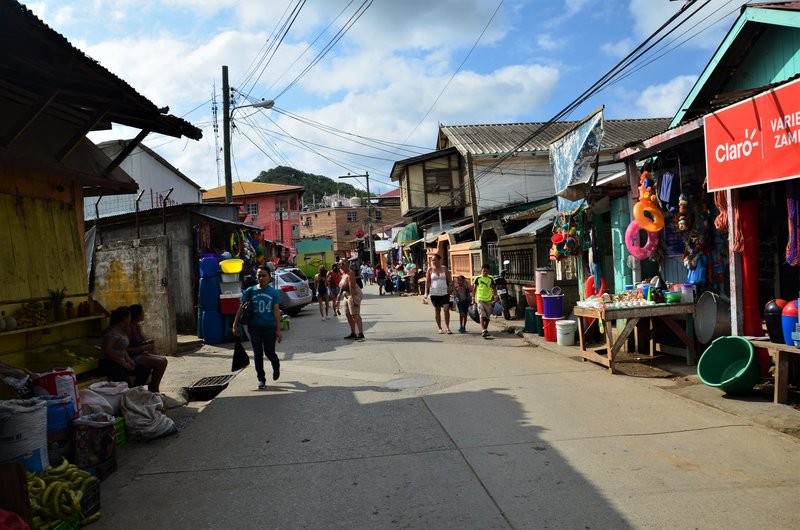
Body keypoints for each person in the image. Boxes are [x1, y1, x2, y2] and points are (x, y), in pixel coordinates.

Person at [233, 264, 283, 389]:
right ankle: (261, 379)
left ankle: (276, 365)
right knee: (257, 354)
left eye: (264, 275)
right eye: (259, 275)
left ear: (269, 277)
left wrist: (278, 330)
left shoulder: (274, 293)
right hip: (254, 327)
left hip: (269, 327)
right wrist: (235, 324)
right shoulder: (250, 291)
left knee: (269, 352)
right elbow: (241, 307)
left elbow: (276, 312)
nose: (261, 278)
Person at [100, 306, 152, 389]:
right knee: (126, 384)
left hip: (121, 363)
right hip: (110, 363)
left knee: (144, 370)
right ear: (124, 318)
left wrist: (130, 361)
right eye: (130, 317)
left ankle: (135, 391)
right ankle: (131, 393)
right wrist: (123, 363)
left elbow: (123, 349)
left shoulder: (123, 330)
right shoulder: (112, 332)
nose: (130, 319)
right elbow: (108, 351)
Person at [127, 304, 168, 393]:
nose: (144, 314)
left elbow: (139, 342)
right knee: (160, 362)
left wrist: (146, 343)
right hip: (132, 357)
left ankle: (154, 387)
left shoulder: (137, 327)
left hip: (140, 353)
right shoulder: (129, 329)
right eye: (142, 312)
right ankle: (154, 389)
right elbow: (126, 350)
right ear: (138, 315)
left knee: (163, 360)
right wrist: (143, 348)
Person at [425, 253, 453, 334]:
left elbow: (449, 280)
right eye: (432, 260)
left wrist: (451, 288)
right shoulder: (430, 269)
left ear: (439, 260)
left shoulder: (444, 268)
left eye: (435, 260)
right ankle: (440, 328)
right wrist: (426, 293)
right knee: (437, 310)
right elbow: (428, 282)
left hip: (444, 293)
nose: (433, 261)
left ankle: (447, 327)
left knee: (446, 309)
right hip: (434, 293)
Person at [472, 264, 498, 338]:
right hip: (480, 299)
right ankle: (483, 330)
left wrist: (495, 296)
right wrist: (473, 298)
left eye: (486, 271)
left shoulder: (491, 278)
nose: (485, 272)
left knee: (487, 317)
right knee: (482, 314)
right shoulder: (477, 278)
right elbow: (474, 289)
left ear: (489, 271)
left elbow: (494, 288)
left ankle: (485, 329)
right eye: (484, 271)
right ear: (481, 270)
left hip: (489, 300)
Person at [340, 263, 364, 340]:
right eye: (339, 264)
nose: (341, 265)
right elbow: (342, 286)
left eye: (342, 263)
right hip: (346, 295)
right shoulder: (343, 273)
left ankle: (360, 333)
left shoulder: (350, 273)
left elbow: (352, 287)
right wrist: (338, 296)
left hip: (353, 294)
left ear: (346, 264)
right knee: (348, 314)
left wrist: (353, 300)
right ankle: (353, 333)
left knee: (355, 314)